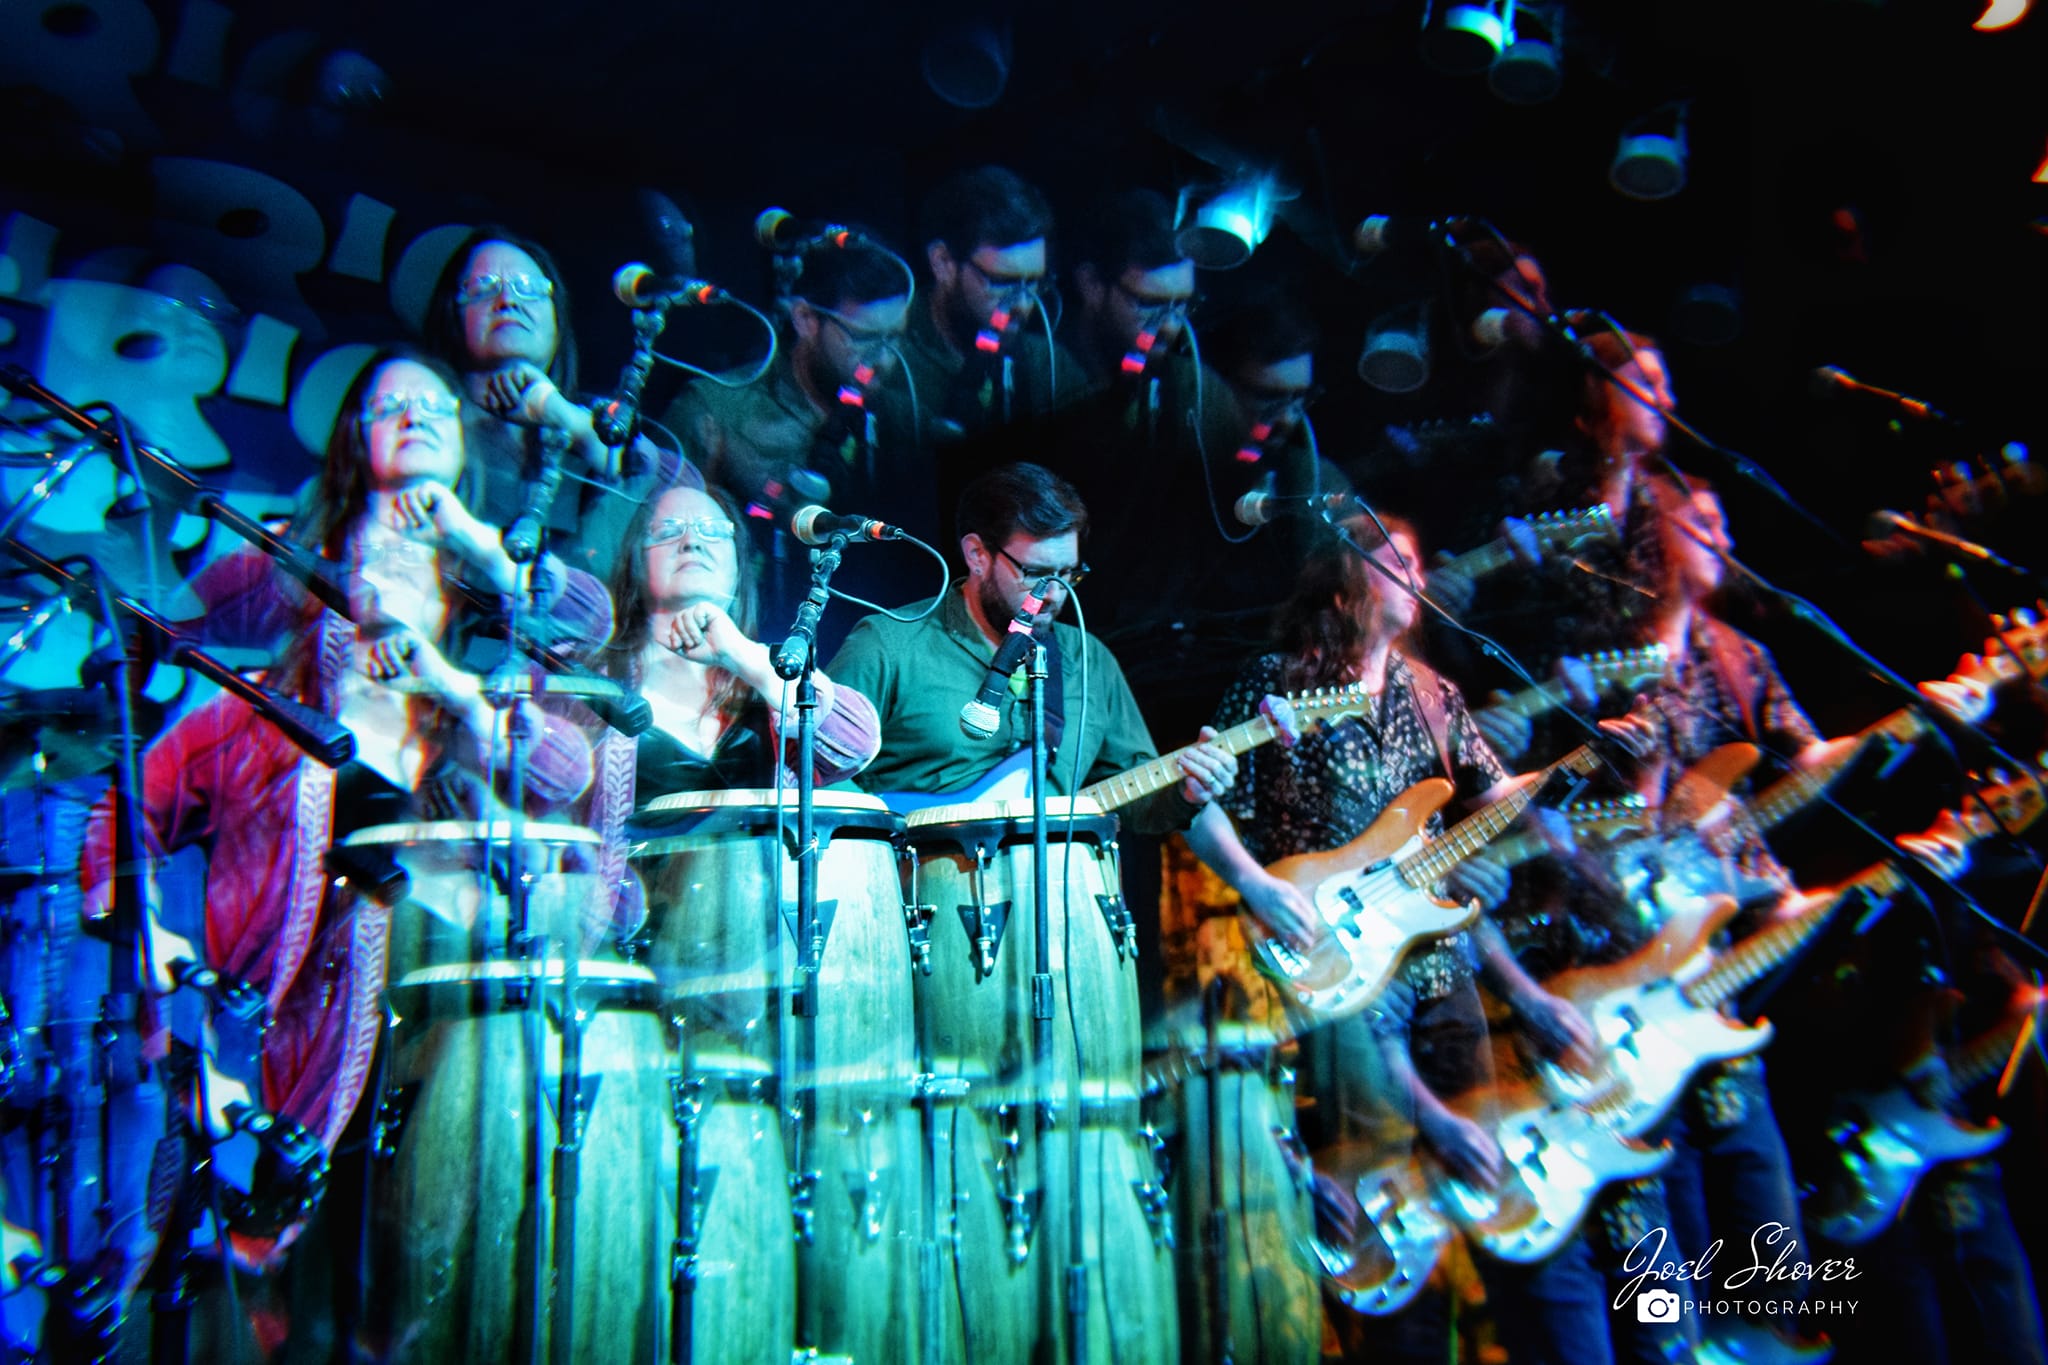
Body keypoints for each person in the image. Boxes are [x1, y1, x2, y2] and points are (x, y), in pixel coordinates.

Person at [79, 347, 606, 1257]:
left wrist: (470, 543)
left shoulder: (491, 611)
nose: (414, 419)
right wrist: (152, 949)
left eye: (434, 408)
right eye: (391, 407)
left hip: (426, 978)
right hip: (269, 986)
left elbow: (583, 651)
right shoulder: (273, 657)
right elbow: (155, 668)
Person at [1181, 514, 1616, 1365]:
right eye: (1394, 561)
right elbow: (1199, 804)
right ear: (1344, 584)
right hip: (1339, 965)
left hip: (1442, 963)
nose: (1415, 575)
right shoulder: (1277, 681)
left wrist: (1570, 770)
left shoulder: (1433, 692)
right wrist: (1260, 886)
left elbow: (1491, 798)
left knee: (1491, 1165)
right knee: (1382, 1183)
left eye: (1417, 560)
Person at [827, 461, 1235, 830]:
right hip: (916, 881)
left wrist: (1186, 793)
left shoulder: (1090, 661)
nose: (1054, 594)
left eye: (1068, 573)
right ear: (977, 555)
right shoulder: (888, 646)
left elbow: (1133, 804)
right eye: (1036, 573)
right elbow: (815, 774)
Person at [575, 479, 883, 928]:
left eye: (713, 530)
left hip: (763, 943)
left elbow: (857, 744)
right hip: (624, 942)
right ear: (635, 564)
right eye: (668, 530)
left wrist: (742, 657)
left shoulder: (766, 682)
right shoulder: (591, 688)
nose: (692, 541)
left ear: (738, 567)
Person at [660, 230, 925, 643]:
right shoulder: (716, 409)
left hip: (868, 628)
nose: (884, 359)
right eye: (864, 338)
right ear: (805, 319)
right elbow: (659, 539)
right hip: (744, 632)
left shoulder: (902, 416)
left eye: (895, 338)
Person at [423, 226, 700, 581]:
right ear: (452, 314)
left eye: (528, 287)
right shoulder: (427, 425)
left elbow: (682, 499)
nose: (508, 301)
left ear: (556, 317)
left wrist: (566, 419)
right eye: (485, 287)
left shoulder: (592, 421)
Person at [898, 166, 1084, 447]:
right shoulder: (893, 360)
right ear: (943, 262)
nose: (1022, 304)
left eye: (1034, 282)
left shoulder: (1047, 363)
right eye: (1001, 282)